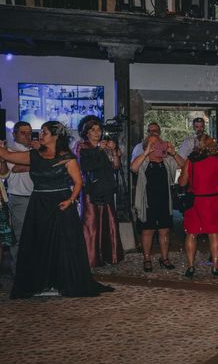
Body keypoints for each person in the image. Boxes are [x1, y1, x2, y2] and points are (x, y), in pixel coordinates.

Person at [0, 121, 114, 298]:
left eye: (44, 132)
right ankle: (41, 282)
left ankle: (62, 281)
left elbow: (78, 183)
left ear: (55, 136)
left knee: (62, 245)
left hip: (61, 204)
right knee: (39, 243)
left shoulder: (67, 157)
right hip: (38, 204)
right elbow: (7, 155)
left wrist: (70, 200)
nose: (40, 135)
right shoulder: (34, 155)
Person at [131, 134, 185, 272]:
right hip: (147, 202)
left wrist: (174, 153)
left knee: (164, 231)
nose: (156, 146)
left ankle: (164, 258)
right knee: (147, 231)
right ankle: (147, 258)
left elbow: (185, 166)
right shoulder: (144, 161)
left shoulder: (167, 161)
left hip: (164, 202)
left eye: (158, 143)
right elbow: (133, 168)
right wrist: (146, 152)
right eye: (152, 144)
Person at [75, 119, 124, 267]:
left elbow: (116, 167)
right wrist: (98, 149)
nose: (97, 132)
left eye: (99, 129)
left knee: (110, 221)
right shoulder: (82, 146)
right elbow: (86, 167)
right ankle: (91, 258)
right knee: (91, 223)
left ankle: (111, 255)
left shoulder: (105, 145)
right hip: (91, 190)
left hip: (107, 188)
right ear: (87, 132)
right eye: (94, 130)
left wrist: (115, 152)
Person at [179, 135, 218, 278]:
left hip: (195, 202)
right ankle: (215, 267)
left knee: (191, 233)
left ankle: (190, 266)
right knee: (214, 234)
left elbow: (182, 183)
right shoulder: (216, 161)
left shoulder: (190, 161)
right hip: (211, 201)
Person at [6, 121, 34, 275]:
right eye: (23, 132)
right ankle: (18, 272)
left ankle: (31, 271)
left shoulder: (35, 150)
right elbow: (16, 168)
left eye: (29, 132)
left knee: (34, 236)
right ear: (14, 134)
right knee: (20, 236)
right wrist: (40, 163)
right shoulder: (9, 150)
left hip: (35, 197)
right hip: (19, 198)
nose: (27, 135)